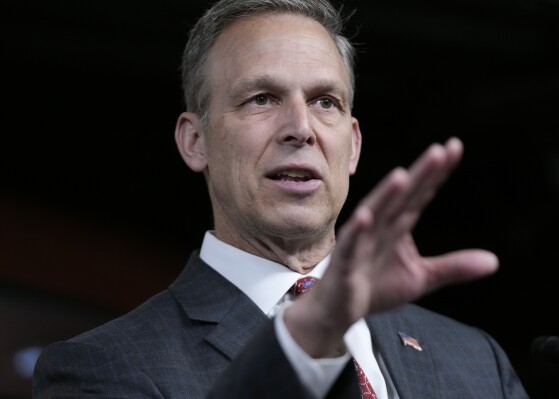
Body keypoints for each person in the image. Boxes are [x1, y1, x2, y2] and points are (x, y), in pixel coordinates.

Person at [33, 0, 529, 398]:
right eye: (262, 99)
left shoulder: (475, 359)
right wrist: (308, 343)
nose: (300, 129)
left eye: (324, 102)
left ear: (352, 145)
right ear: (194, 141)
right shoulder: (100, 371)